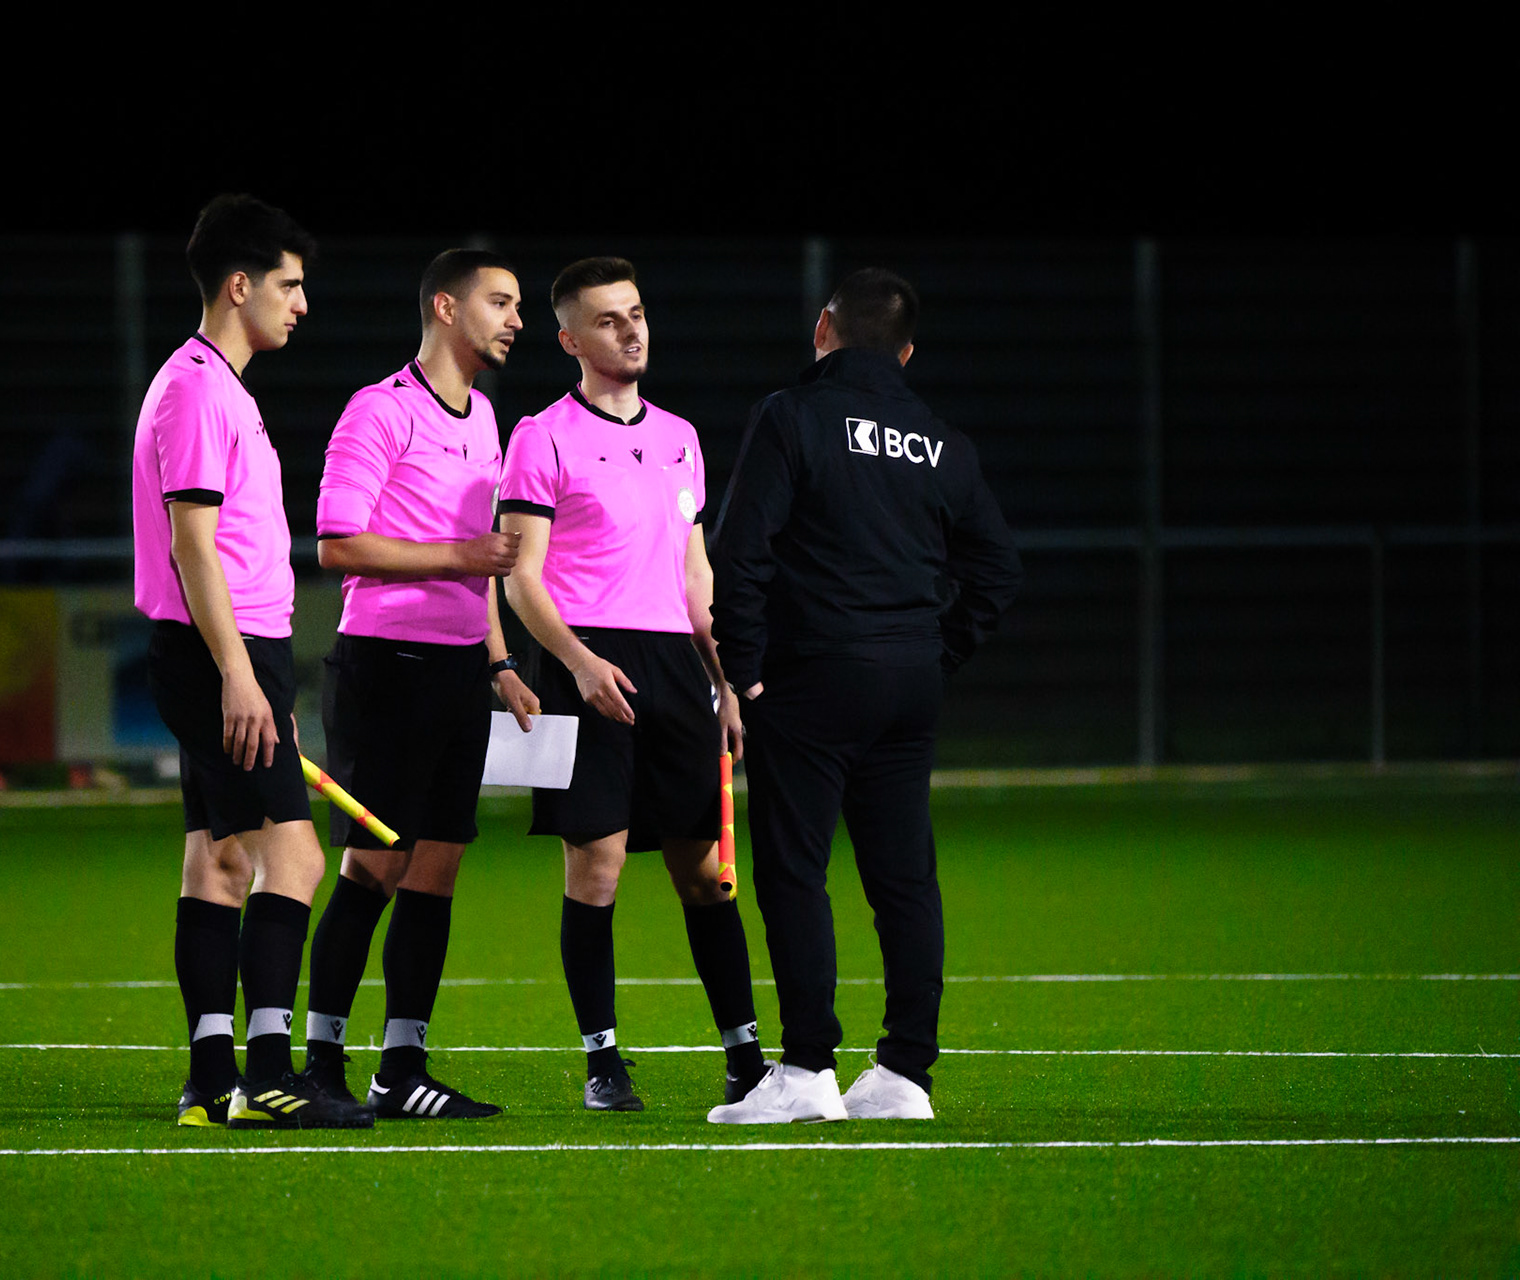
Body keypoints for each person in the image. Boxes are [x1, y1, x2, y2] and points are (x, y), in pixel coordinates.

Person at [705, 268, 1022, 1123]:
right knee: (904, 878)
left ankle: (809, 1069)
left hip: (812, 677)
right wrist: (935, 652)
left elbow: (741, 554)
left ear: (823, 330)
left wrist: (745, 667)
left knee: (796, 871)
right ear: (907, 351)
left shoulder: (793, 415)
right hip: (907, 683)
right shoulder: (940, 439)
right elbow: (996, 567)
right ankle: (906, 1074)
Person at [499, 257, 767, 1112]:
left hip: (674, 669)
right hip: (585, 663)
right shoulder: (540, 436)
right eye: (609, 320)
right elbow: (520, 578)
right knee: (599, 871)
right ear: (571, 339)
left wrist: (728, 681)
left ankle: (745, 1057)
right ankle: (603, 1062)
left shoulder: (682, 435)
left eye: (638, 313)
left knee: (709, 874)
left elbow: (696, 578)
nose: (632, 330)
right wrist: (577, 664)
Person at [132, 194, 371, 1130]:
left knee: (219, 862)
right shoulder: (196, 389)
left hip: (230, 653)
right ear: (240, 286)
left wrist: (260, 674)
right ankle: (270, 1075)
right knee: (298, 858)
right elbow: (195, 547)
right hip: (212, 652)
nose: (301, 303)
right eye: (289, 284)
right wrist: (238, 673)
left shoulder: (213, 384)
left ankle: (209, 1082)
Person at [297, 249, 542, 1120]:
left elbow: (483, 572)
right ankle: (319, 1057)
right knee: (376, 863)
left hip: (453, 672)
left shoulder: (486, 417)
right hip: (384, 667)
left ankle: (402, 1068)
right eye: (500, 301)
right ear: (445, 305)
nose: (516, 318)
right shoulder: (379, 410)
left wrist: (499, 663)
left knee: (437, 867)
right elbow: (335, 544)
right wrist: (459, 557)